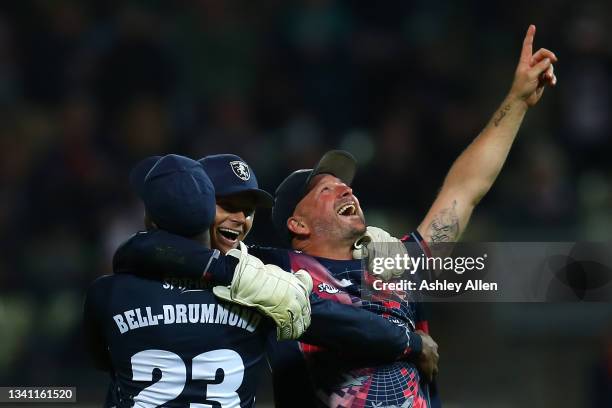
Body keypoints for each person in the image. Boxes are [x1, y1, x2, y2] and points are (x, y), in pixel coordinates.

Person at [112, 25, 557, 407]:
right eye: (325, 189)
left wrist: (516, 100)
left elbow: (465, 189)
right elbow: (161, 249)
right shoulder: (274, 270)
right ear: (297, 225)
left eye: (345, 185)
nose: (346, 189)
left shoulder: (395, 264)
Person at [83, 154, 313, 407]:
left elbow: (104, 361)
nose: (240, 218)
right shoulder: (264, 288)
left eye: (248, 210)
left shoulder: (108, 292)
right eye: (227, 204)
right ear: (203, 205)